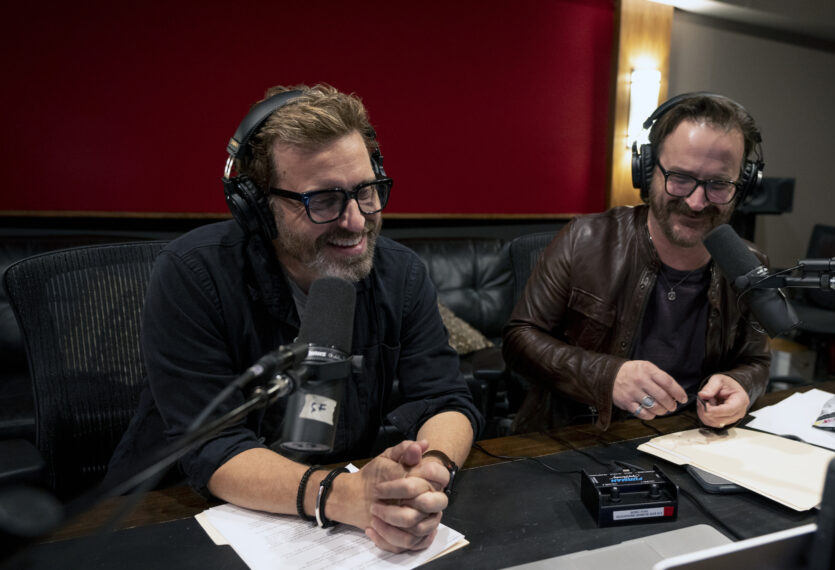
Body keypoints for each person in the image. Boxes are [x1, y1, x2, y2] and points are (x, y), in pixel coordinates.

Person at [107, 84, 481, 553]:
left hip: (337, 528)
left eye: (367, 191)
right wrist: (341, 495)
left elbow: (445, 399)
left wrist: (430, 473)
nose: (357, 221)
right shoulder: (193, 274)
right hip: (178, 515)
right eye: (324, 201)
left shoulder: (400, 273)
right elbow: (211, 445)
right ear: (259, 206)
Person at [502, 92, 771, 434]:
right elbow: (518, 340)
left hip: (695, 441)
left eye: (718, 184)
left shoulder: (749, 265)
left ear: (743, 185)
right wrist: (606, 376)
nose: (697, 201)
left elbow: (756, 361)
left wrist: (741, 385)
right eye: (681, 178)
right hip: (584, 438)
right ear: (646, 171)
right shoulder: (582, 239)